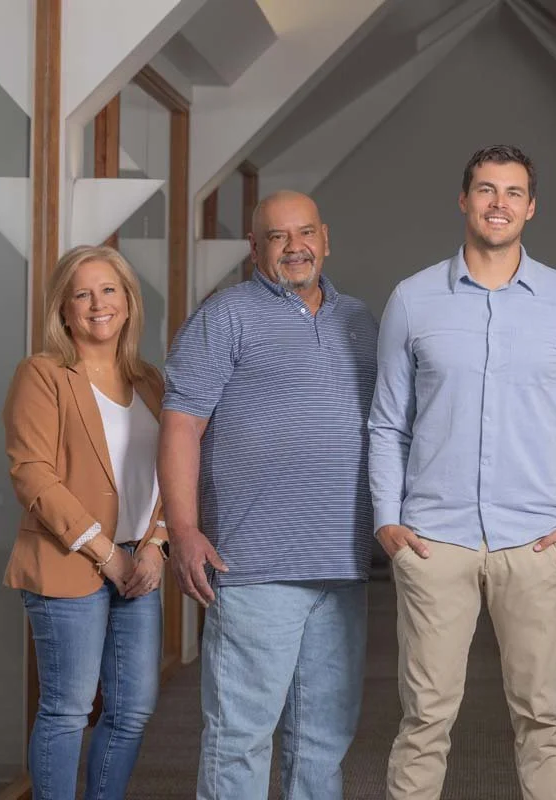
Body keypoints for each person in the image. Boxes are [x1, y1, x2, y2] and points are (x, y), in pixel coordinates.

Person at [369, 144, 556, 799]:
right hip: (433, 541)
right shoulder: (413, 300)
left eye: (512, 192)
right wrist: (388, 522)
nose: (498, 203)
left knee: (543, 718)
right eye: (485, 189)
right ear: (463, 200)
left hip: (535, 544)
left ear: (531, 208)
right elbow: (387, 424)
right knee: (424, 721)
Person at [159, 191, 378, 799]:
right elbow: (181, 425)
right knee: (240, 738)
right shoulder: (225, 315)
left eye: (304, 232)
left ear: (325, 238)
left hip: (342, 565)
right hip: (255, 566)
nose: (294, 247)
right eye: (278, 237)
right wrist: (183, 530)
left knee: (324, 740)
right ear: (254, 248)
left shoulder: (359, 320)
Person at [3, 245, 168, 800]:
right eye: (83, 294)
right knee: (68, 709)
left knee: (133, 708)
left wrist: (156, 544)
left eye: (109, 290)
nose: (98, 304)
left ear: (129, 301)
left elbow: (172, 474)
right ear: (64, 309)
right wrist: (106, 552)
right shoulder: (43, 374)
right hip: (69, 561)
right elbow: (32, 474)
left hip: (138, 565)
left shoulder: (150, 382)